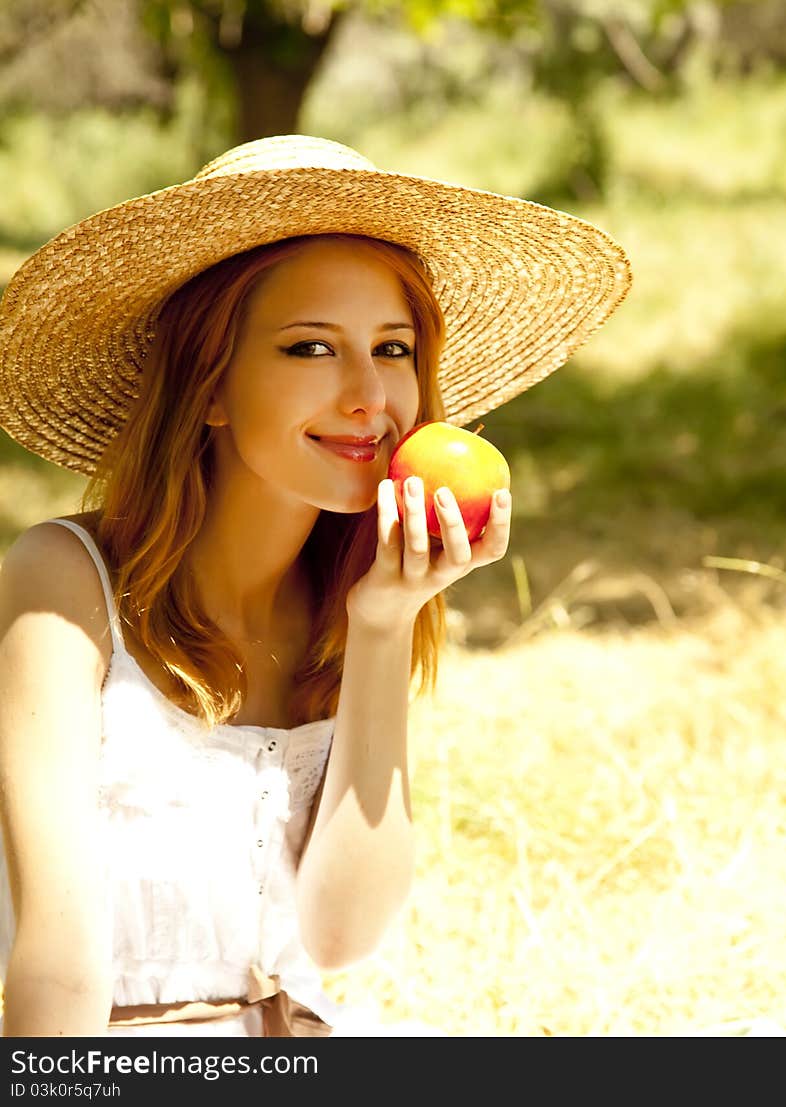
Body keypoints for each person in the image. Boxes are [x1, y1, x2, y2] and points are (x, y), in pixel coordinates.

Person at [0, 133, 631, 1037]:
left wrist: (384, 625)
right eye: (310, 348)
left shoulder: (349, 603)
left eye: (394, 347)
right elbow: (58, 962)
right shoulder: (62, 580)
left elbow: (342, 934)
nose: (370, 396)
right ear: (209, 383)